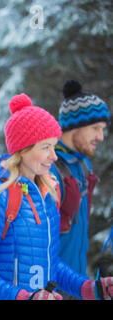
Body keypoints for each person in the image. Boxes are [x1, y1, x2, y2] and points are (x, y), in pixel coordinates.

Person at [0, 93, 113, 300]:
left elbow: (50, 263)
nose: (54, 156)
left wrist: (89, 289)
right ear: (23, 150)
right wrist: (23, 297)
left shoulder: (47, 195)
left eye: (54, 146)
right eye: (45, 147)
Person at [50, 80, 110, 278]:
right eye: (95, 128)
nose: (100, 137)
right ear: (74, 126)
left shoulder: (83, 166)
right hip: (51, 287)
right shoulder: (49, 168)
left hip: (76, 282)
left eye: (102, 129)